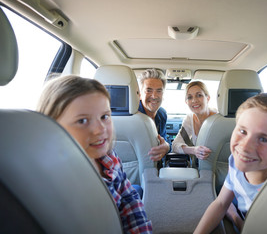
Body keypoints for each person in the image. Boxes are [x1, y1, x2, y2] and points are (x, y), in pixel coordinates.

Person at [36, 75, 152, 233]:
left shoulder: (108, 157)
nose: (101, 129)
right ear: (51, 125)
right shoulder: (53, 182)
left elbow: (129, 200)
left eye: (105, 117)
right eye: (82, 121)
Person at [194, 92, 267, 233]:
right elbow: (221, 203)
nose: (244, 147)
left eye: (263, 139)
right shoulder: (235, 161)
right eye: (243, 131)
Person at [172, 81, 216, 160]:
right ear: (186, 102)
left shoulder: (218, 118)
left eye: (199, 95)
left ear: (208, 98)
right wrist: (194, 150)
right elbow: (175, 145)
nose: (194, 100)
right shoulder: (189, 119)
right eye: (190, 97)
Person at [138, 69, 171, 162]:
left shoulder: (162, 114)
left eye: (159, 91)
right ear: (140, 94)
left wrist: (167, 147)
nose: (154, 96)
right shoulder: (132, 115)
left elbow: (164, 139)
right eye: (149, 90)